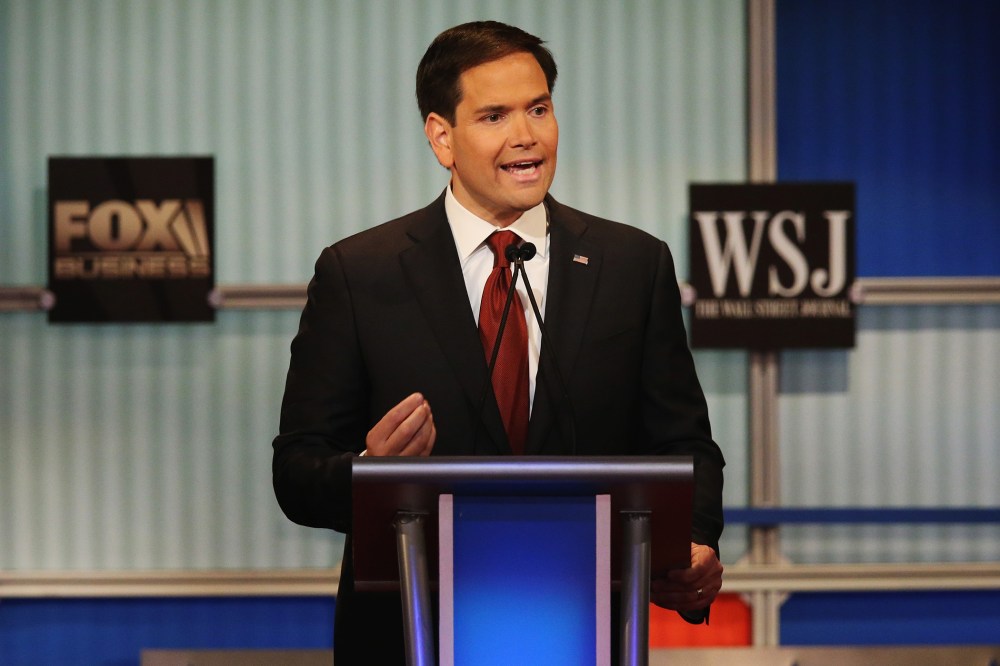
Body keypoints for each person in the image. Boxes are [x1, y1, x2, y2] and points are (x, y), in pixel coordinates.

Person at [273, 20, 725, 664]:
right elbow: (296, 471)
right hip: (408, 634)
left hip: (581, 628)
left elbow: (685, 444)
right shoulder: (359, 273)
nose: (526, 136)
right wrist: (370, 473)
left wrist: (698, 542)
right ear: (442, 138)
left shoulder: (632, 265)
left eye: (539, 108)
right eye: (494, 116)